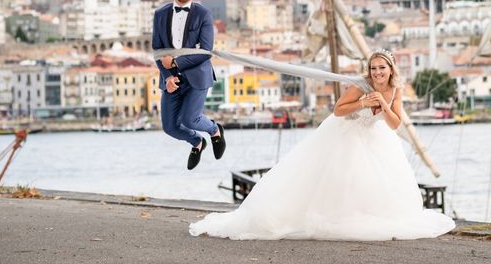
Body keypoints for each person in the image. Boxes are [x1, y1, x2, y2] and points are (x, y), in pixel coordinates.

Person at [189, 49, 455, 240]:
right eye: (373, 68)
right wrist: (364, 101)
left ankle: (362, 215)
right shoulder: (360, 85)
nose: (377, 73)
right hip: (346, 132)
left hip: (375, 138)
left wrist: (382, 103)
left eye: (382, 68)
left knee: (374, 183)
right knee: (337, 177)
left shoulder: (396, 89)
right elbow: (339, 110)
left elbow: (395, 124)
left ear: (391, 70)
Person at [152, 0, 226, 170]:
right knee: (170, 127)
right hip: (171, 79)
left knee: (189, 119)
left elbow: (206, 51)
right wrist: (167, 76)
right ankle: (197, 143)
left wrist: (175, 64)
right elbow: (157, 50)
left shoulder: (204, 14)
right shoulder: (160, 14)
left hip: (197, 75)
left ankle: (214, 130)